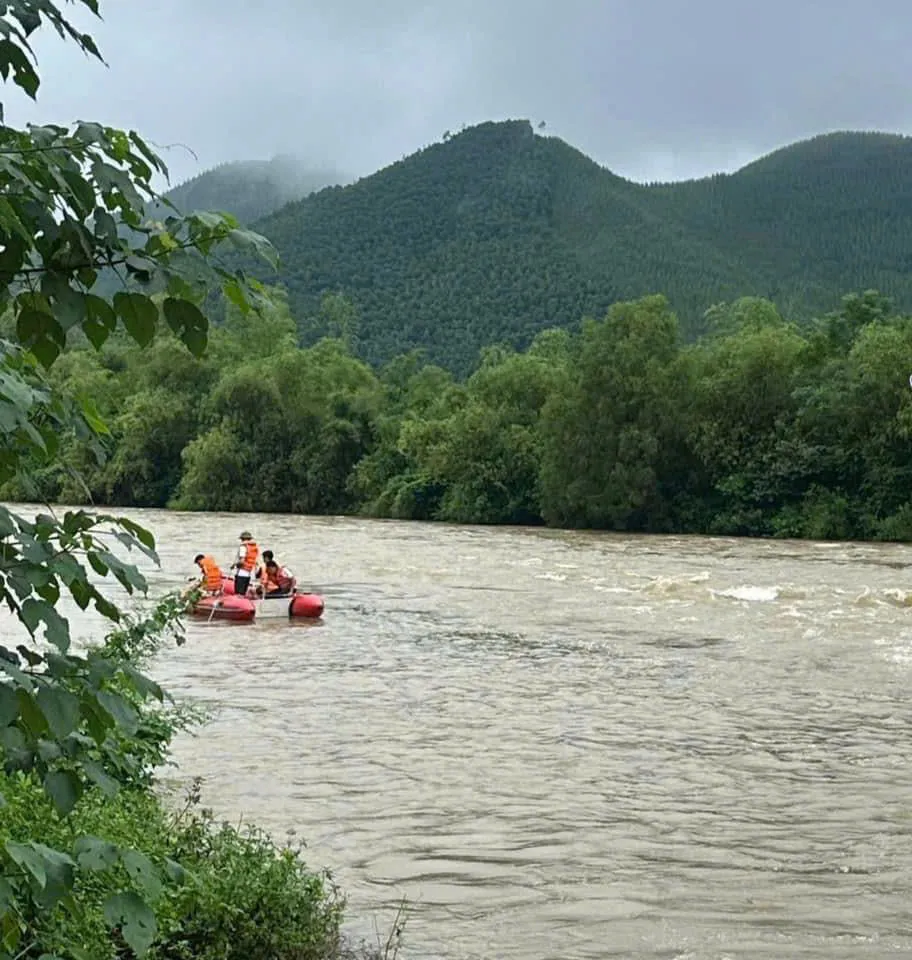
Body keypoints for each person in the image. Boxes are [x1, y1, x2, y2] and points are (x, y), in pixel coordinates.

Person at [231, 531, 259, 597]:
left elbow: (242, 561)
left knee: (238, 594)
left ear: (242, 539)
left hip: (241, 573)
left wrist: (234, 565)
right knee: (243, 594)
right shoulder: (253, 547)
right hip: (249, 573)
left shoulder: (243, 547)